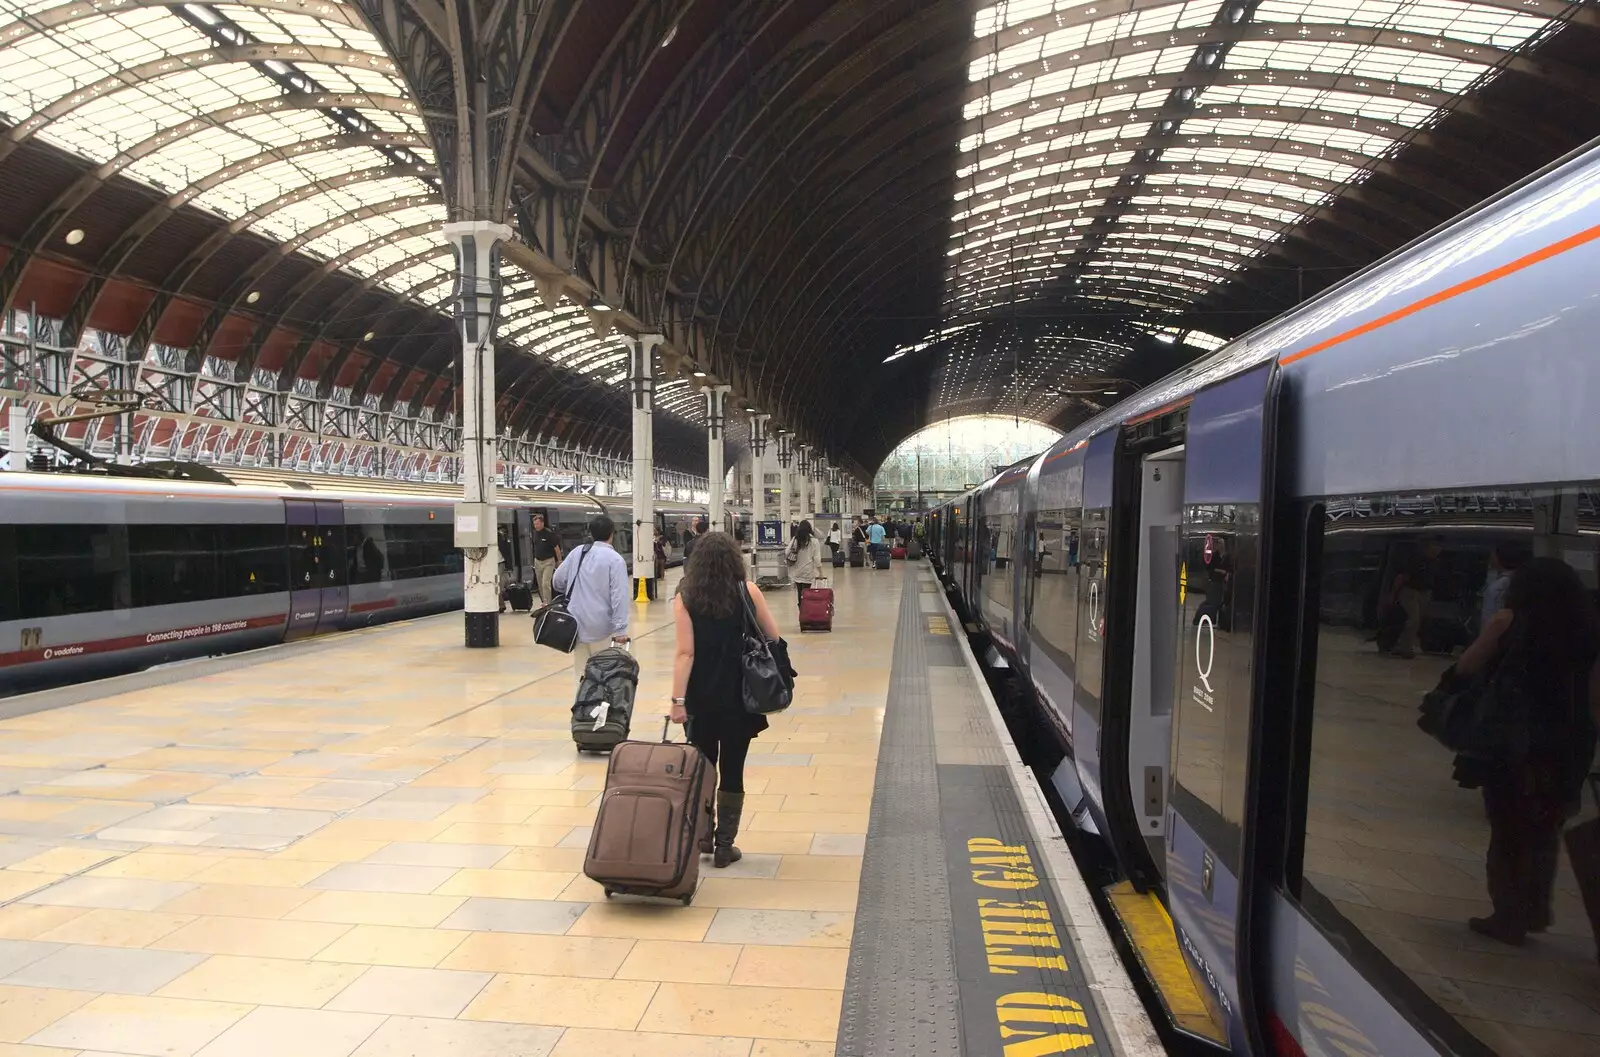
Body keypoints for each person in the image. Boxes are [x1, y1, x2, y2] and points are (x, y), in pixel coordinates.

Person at [1447, 557, 1600, 946]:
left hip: (1516, 740)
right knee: (1546, 822)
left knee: (1508, 825)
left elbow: (1466, 667)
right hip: (1569, 743)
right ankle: (1535, 908)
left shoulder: (1510, 621)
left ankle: (1508, 914)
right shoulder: (1588, 630)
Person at [669, 531, 781, 868]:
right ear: (734, 560)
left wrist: (677, 701)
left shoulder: (684, 597)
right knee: (733, 768)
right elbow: (774, 637)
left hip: (700, 697)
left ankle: (703, 836)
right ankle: (724, 846)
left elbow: (685, 653)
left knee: (702, 768)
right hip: (739, 696)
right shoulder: (748, 591)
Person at [551, 514, 630, 682]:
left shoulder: (577, 553)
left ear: (591, 533)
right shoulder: (615, 560)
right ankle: (599, 707)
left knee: (581, 673)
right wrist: (620, 630)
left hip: (575, 625)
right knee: (603, 675)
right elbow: (619, 596)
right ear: (612, 533)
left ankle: (581, 706)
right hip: (602, 627)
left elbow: (557, 581)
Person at [1384, 536, 1442, 658]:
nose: (1437, 549)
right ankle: (1403, 647)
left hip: (1425, 592)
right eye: (1434, 545)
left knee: (1418, 621)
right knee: (1413, 619)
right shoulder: (1415, 560)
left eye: (1439, 546)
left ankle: (1407, 645)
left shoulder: (1435, 562)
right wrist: (1393, 594)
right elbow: (1402, 578)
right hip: (1410, 591)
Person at [1481, 543, 1519, 634]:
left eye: (1493, 555)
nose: (1490, 558)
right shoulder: (1517, 580)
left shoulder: (1498, 586)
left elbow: (1489, 616)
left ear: (1498, 558)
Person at [786, 520, 823, 607]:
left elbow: (787, 551)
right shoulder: (814, 541)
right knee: (806, 592)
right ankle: (806, 611)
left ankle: (801, 611)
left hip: (797, 570)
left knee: (800, 592)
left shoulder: (795, 539)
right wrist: (820, 573)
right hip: (808, 571)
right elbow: (817, 558)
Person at [530, 514, 562, 603]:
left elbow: (556, 548)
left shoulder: (549, 534)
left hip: (548, 561)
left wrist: (559, 561)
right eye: (534, 524)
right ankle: (543, 601)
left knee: (545, 583)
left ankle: (547, 603)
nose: (536, 526)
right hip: (537, 561)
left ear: (542, 523)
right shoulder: (534, 533)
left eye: (537, 524)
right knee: (540, 584)